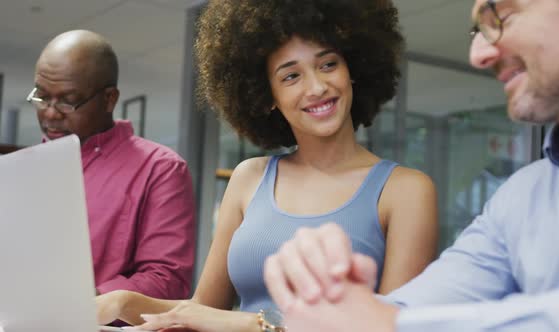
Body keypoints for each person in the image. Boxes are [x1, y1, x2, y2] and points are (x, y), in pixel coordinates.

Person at [97, 0, 438, 331]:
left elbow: (393, 326)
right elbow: (202, 312)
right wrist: (123, 303)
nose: (317, 87)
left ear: (353, 69)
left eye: (329, 64)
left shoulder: (405, 190)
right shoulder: (250, 178)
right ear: (267, 96)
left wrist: (254, 325)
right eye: (291, 76)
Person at [263, 0, 559, 331]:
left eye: (502, 18)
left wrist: (384, 323)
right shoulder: (521, 200)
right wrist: (334, 301)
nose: (479, 54)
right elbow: (409, 308)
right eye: (478, 30)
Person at [28, 30, 196, 303]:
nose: (49, 112)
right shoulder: (26, 169)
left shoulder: (159, 169)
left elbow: (167, 280)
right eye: (42, 96)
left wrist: (78, 303)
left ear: (109, 99)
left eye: (68, 101)